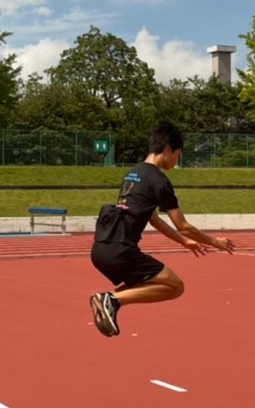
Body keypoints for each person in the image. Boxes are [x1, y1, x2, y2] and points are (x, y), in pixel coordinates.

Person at [89, 121, 235, 337]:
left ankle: (108, 301)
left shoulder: (133, 173)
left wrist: (184, 242)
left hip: (101, 248)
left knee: (145, 283)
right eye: (178, 155)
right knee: (175, 286)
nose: (177, 161)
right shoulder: (160, 181)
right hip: (121, 250)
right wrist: (216, 242)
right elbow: (183, 226)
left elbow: (154, 219)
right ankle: (112, 299)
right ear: (168, 149)